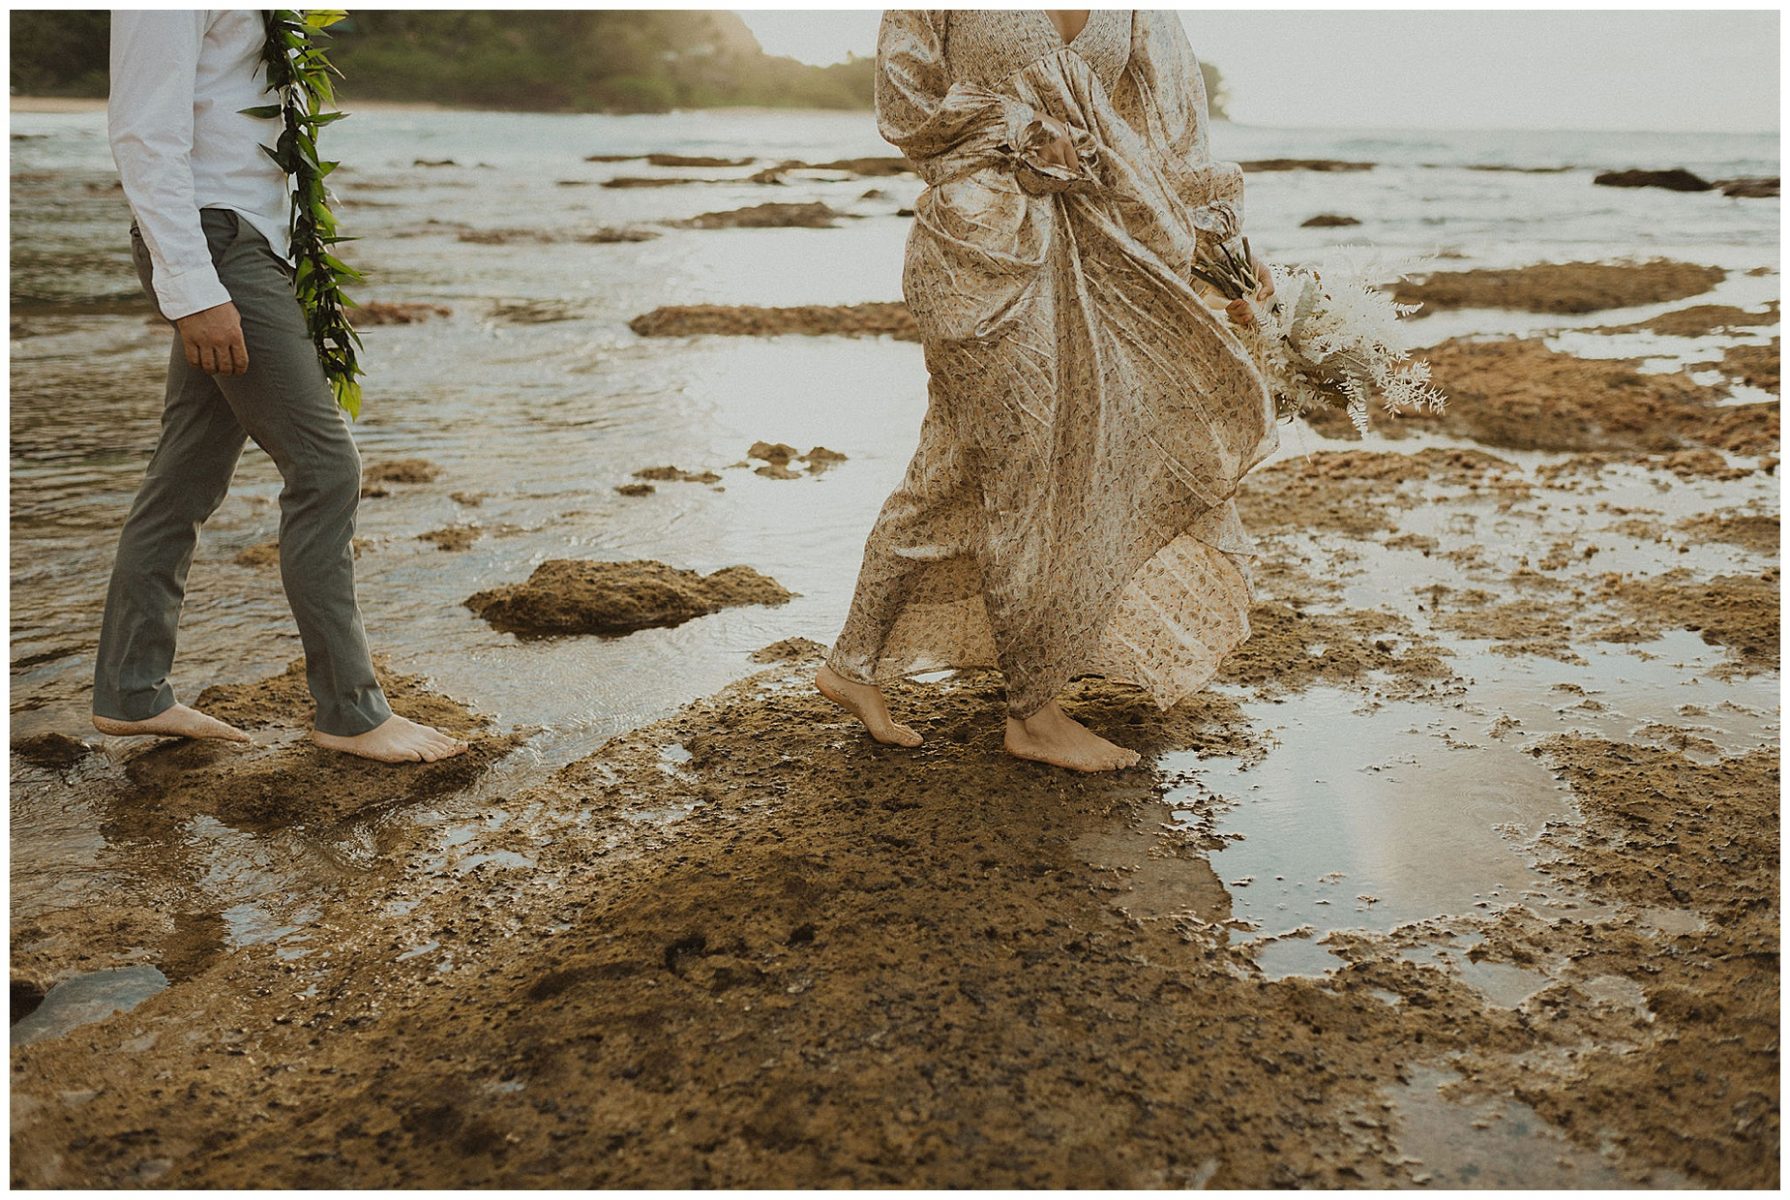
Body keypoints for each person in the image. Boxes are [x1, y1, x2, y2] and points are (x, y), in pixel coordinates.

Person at [816, 10, 1278, 772]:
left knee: (954, 466)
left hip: (1101, 250)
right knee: (1024, 464)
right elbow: (906, 103)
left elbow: (1171, 135)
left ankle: (852, 665)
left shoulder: (1138, 12)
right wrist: (1018, 127)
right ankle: (1032, 712)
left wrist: (1226, 250)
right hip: (980, 251)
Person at [94, 10, 465, 764]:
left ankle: (132, 692)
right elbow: (143, 130)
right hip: (217, 244)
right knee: (326, 469)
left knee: (184, 477)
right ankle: (351, 711)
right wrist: (195, 289)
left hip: (256, 242)